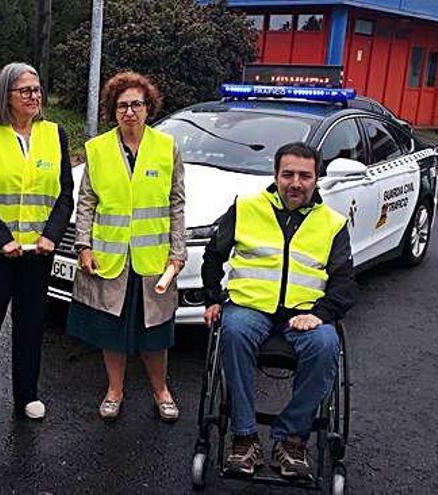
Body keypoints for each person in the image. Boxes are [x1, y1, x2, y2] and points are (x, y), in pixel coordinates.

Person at [200, 142, 355, 480]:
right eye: (288, 175)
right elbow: (213, 256)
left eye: (304, 176)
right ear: (275, 176)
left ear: (317, 179)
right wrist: (213, 298)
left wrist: (321, 313)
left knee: (326, 345)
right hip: (250, 308)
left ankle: (291, 439)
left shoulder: (332, 223)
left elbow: (345, 283)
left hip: (304, 314)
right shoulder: (246, 208)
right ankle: (244, 437)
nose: (295, 183)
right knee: (234, 330)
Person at [66, 72, 186, 422]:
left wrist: (178, 251)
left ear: (149, 108)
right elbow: (86, 202)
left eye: (136, 104)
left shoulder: (167, 148)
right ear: (112, 111)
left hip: (153, 260)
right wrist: (83, 245)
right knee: (112, 331)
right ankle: (114, 390)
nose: (129, 111)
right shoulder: (97, 149)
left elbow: (176, 202)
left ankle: (161, 390)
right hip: (111, 256)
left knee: (156, 332)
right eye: (122, 105)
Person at [0, 62, 73, 422]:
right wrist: (1, 240)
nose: (34, 96)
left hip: (38, 252)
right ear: (6, 95)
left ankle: (28, 394)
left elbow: (65, 195)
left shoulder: (55, 134)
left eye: (38, 89)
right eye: (25, 90)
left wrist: (51, 236)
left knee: (30, 325)